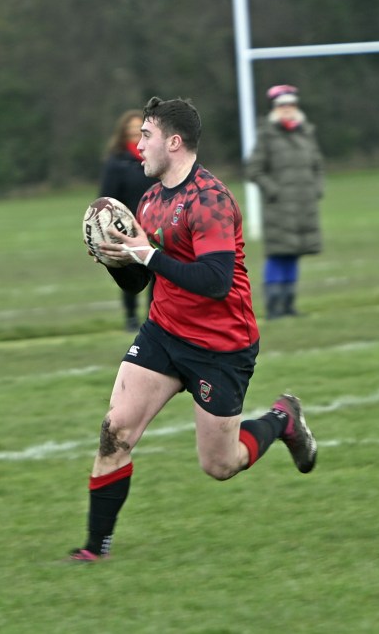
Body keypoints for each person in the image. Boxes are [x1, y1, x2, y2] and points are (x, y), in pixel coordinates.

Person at [68, 97, 318, 563]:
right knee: (115, 429)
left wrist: (148, 254)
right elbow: (141, 280)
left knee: (220, 464)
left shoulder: (210, 200)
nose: (138, 145)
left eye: (146, 136)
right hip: (164, 333)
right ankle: (93, 550)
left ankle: (283, 419)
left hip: (220, 347)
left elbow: (216, 281)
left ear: (174, 142)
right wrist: (115, 260)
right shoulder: (150, 200)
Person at [245, 84, 325, 319]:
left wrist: (316, 189)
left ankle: (289, 306)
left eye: (291, 104)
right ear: (275, 108)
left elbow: (318, 165)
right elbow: (254, 170)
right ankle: (274, 308)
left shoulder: (306, 132)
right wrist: (274, 191)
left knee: (294, 253)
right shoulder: (267, 135)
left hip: (303, 207)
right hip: (278, 208)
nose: (287, 108)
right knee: (278, 255)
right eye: (282, 105)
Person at [98, 109, 158, 331]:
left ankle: (154, 317)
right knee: (131, 272)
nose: (134, 133)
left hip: (155, 225)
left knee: (157, 272)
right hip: (128, 228)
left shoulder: (155, 159)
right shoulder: (117, 162)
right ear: (122, 132)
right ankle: (131, 316)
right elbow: (106, 197)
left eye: (138, 129)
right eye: (130, 129)